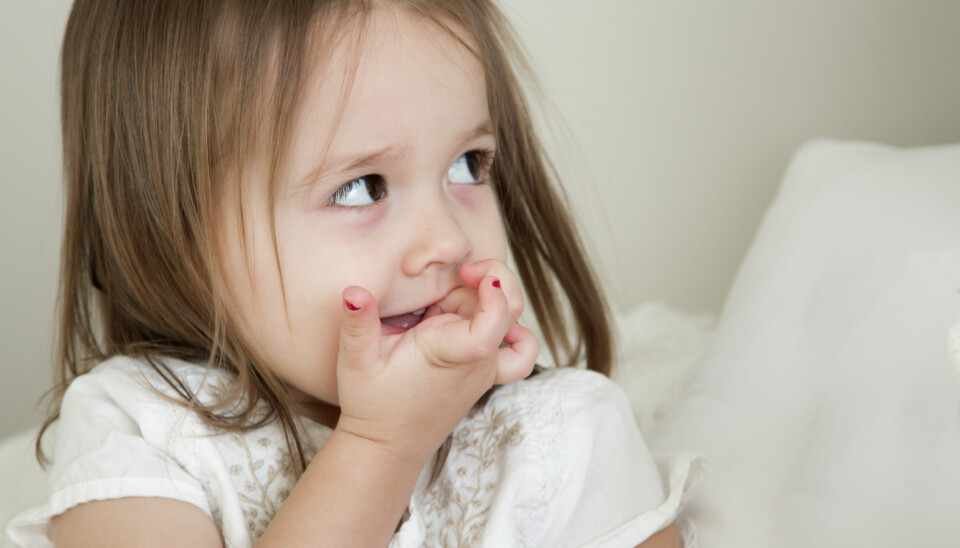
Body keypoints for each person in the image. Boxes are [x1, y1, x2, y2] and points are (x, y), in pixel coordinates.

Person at [7, 1, 700, 546]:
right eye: (361, 187)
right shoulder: (138, 429)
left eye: (469, 165)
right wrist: (384, 445)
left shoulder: (562, 434)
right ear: (167, 227)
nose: (448, 240)